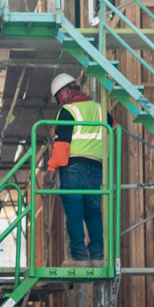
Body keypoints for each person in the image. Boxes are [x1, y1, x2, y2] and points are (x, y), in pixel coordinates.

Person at [43, 73, 114, 267]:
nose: (59, 102)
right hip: (97, 168)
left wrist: (51, 169)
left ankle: (80, 258)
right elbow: (114, 131)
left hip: (73, 168)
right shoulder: (101, 109)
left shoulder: (68, 111)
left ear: (63, 93)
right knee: (92, 212)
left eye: (58, 98)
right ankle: (98, 257)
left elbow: (62, 146)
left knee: (74, 212)